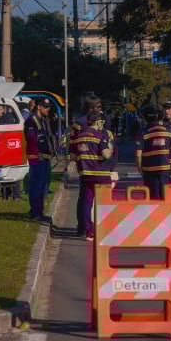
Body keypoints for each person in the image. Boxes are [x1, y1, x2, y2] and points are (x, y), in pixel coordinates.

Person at [74, 111, 114, 240]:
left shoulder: (79, 137)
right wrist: (110, 148)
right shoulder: (99, 136)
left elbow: (74, 156)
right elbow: (106, 154)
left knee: (87, 203)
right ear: (97, 121)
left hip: (86, 174)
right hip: (101, 174)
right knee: (104, 203)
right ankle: (105, 230)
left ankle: (89, 232)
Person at [70, 93, 103, 235]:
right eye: (98, 106)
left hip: (82, 162)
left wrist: (76, 157)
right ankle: (95, 227)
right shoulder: (96, 121)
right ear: (92, 108)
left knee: (84, 195)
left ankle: (82, 226)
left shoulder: (78, 122)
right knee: (98, 197)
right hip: (97, 162)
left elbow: (72, 143)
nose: (100, 109)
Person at [135, 105, 171, 199]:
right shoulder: (168, 131)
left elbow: (138, 155)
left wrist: (140, 169)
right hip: (165, 169)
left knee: (152, 198)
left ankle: (154, 213)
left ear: (145, 117)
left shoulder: (143, 133)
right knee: (165, 196)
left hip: (149, 170)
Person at [24, 97, 55, 221]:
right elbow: (32, 139)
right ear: (39, 107)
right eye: (46, 107)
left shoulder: (43, 120)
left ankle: (39, 211)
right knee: (36, 185)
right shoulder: (31, 120)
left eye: (49, 107)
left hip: (44, 156)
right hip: (37, 156)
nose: (48, 109)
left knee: (42, 186)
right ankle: (35, 212)